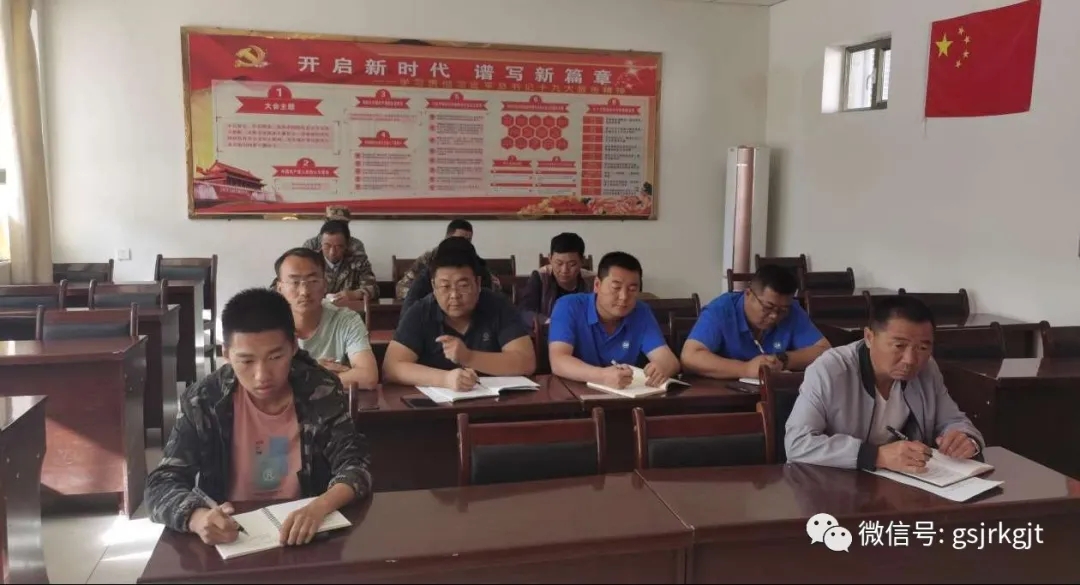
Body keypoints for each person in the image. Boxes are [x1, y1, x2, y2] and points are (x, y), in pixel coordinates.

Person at [145, 288, 372, 546]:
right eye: (246, 361)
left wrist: (319, 507)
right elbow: (161, 484)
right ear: (226, 353)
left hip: (306, 534)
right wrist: (198, 519)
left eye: (275, 357)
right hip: (232, 536)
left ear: (293, 346)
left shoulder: (320, 390)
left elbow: (355, 465)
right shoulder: (204, 400)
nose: (262, 375)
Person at [784, 295, 985, 472]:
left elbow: (953, 419)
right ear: (869, 337)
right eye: (899, 345)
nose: (910, 360)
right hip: (837, 485)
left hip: (906, 484)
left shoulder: (927, 369)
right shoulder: (830, 369)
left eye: (922, 348)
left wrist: (966, 439)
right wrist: (876, 456)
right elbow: (798, 443)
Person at [383, 238, 535, 390]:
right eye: (445, 286)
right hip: (437, 402)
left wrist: (469, 357)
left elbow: (526, 362)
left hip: (495, 400)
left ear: (478, 283)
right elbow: (391, 367)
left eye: (463, 286)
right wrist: (445, 379)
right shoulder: (421, 312)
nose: (454, 295)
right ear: (433, 286)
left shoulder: (498, 305)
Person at [548, 251, 680, 388]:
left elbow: (669, 361)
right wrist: (602, 376)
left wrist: (662, 368)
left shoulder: (640, 311)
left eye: (632, 289)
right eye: (616, 288)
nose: (624, 296)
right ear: (597, 285)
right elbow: (559, 361)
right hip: (575, 393)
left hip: (627, 394)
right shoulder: (568, 306)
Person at [682, 264, 829, 379]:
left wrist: (784, 360)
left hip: (774, 394)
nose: (774, 316)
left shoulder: (792, 311)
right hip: (723, 395)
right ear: (748, 294)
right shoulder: (720, 310)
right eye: (768, 307)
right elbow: (690, 356)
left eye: (782, 310)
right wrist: (745, 369)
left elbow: (824, 350)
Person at [274, 247, 379, 389]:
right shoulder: (266, 324)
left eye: (313, 281)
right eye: (295, 282)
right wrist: (315, 371)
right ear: (280, 288)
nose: (304, 292)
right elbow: (261, 378)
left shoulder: (346, 320)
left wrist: (297, 376)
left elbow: (368, 377)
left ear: (324, 284)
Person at [395, 219, 501, 301]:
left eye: (468, 240)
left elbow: (495, 287)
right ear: (447, 238)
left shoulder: (473, 259)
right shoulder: (429, 258)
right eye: (459, 239)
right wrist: (436, 297)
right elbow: (401, 288)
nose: (463, 244)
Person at [516, 232, 594, 327]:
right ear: (550, 259)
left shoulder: (592, 280)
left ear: (582, 261)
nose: (564, 270)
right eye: (559, 263)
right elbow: (525, 311)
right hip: (548, 331)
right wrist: (552, 323)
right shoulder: (540, 277)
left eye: (572, 264)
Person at [313, 220, 378, 302]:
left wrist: (355, 294)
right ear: (321, 243)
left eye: (338, 246)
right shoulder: (311, 261)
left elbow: (374, 289)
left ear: (346, 245)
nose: (332, 252)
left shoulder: (358, 260)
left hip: (350, 308)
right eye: (327, 246)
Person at [301, 206, 367, 257]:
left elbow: (361, 266)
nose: (337, 226)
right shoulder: (311, 244)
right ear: (325, 222)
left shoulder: (356, 244)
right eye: (332, 222)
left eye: (342, 223)